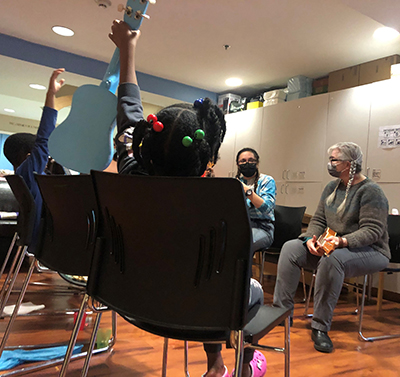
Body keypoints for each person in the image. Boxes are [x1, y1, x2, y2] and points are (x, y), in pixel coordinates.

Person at [109, 19, 266, 377]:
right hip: (202, 310)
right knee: (235, 285)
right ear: (207, 159)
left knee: (204, 282)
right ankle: (240, 363)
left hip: (139, 302)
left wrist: (127, 49)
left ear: (143, 145)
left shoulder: (131, 176)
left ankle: (217, 364)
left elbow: (127, 116)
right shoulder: (219, 201)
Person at [273, 142, 390, 353]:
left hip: (371, 250)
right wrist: (310, 239)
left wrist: (342, 242)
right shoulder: (332, 187)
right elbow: (318, 219)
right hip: (332, 246)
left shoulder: (371, 192)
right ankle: (282, 313)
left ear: (349, 163)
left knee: (333, 260)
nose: (330, 164)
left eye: (334, 160)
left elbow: (372, 231)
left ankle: (320, 327)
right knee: (291, 248)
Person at [3, 68, 66, 252]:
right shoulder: (29, 171)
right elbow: (44, 138)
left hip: (33, 237)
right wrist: (51, 94)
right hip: (47, 241)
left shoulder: (20, 177)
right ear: (27, 155)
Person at [235, 148, 276, 255]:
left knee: (242, 243)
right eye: (243, 161)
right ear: (237, 164)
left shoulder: (267, 181)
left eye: (251, 160)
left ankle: (245, 272)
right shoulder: (235, 182)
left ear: (257, 162)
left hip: (263, 228)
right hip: (240, 226)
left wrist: (247, 191)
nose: (247, 163)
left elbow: (266, 208)